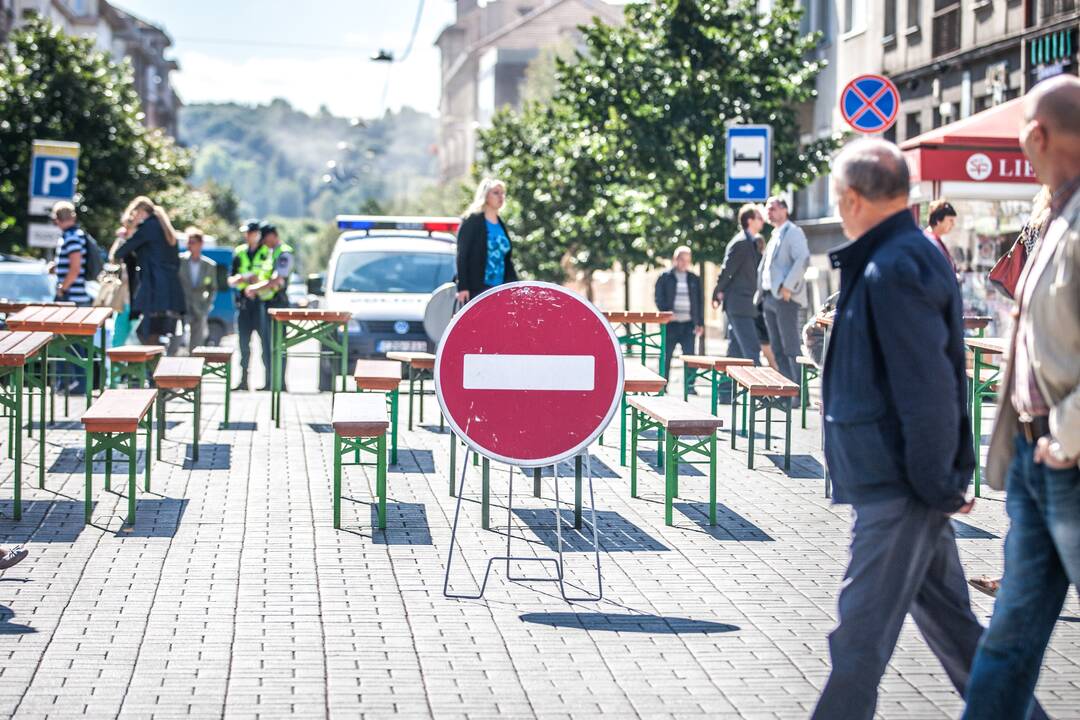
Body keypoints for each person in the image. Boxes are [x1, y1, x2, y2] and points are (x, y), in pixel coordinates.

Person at [809, 138, 1050, 720]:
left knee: (858, 640)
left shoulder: (896, 265)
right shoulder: (895, 257)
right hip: (905, 482)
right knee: (957, 633)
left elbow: (929, 390)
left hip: (900, 486)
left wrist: (939, 485)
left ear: (851, 197)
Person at [963, 75, 1080, 720]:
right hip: (1041, 461)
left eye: (1022, 134)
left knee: (1010, 637)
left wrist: (1069, 433)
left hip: (1069, 457)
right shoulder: (1053, 211)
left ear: (1038, 135)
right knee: (1008, 639)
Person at [114, 196, 185, 347]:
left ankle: (151, 368)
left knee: (145, 333)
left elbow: (120, 252)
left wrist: (129, 231)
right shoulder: (162, 227)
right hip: (168, 290)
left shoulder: (148, 227)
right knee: (155, 334)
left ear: (140, 211)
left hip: (154, 289)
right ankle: (154, 366)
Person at [758, 196, 810, 396]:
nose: (769, 212)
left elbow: (803, 259)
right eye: (767, 209)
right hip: (769, 298)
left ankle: (800, 394)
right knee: (777, 348)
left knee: (790, 346)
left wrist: (787, 288)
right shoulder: (775, 234)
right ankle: (789, 393)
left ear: (785, 210)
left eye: (773, 208)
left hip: (785, 298)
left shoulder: (793, 232)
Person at [712, 204, 763, 363]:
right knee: (751, 349)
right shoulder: (741, 243)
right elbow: (727, 270)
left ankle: (725, 388)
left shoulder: (751, 242)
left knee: (736, 351)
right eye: (759, 218)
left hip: (744, 304)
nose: (763, 221)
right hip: (740, 303)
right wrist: (717, 292)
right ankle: (760, 387)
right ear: (750, 220)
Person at [246, 224, 294, 392]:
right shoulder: (270, 253)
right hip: (266, 304)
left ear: (273, 235)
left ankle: (279, 383)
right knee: (266, 345)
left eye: (265, 238)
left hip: (278, 304)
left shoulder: (284, 253)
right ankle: (270, 382)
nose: (263, 242)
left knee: (278, 345)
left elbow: (277, 280)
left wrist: (255, 289)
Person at [455, 178, 518, 304]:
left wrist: (514, 286)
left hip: (500, 289)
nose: (501, 197)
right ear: (485, 195)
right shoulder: (472, 220)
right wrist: (463, 287)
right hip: (477, 289)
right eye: (496, 193)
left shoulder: (500, 223)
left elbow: (506, 258)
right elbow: (462, 255)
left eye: (502, 193)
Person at [655, 246, 703, 395]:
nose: (685, 263)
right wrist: (667, 313)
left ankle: (690, 386)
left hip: (689, 324)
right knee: (666, 355)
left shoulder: (693, 278)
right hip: (670, 324)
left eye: (688, 260)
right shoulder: (665, 277)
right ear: (675, 260)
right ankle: (663, 385)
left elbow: (699, 302)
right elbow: (658, 298)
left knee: (690, 356)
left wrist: (700, 323)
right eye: (682, 260)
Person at [227, 219, 267, 390]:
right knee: (243, 344)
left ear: (257, 234)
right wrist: (243, 278)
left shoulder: (266, 252)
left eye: (250, 233)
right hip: (243, 304)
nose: (247, 236)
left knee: (265, 344)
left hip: (260, 303)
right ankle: (243, 381)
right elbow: (231, 279)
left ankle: (269, 381)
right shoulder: (240, 252)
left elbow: (267, 276)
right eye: (246, 233)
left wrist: (254, 279)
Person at [178, 226, 218, 352]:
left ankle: (192, 370)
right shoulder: (180, 260)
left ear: (200, 244)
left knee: (196, 346)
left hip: (199, 308)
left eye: (192, 242)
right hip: (181, 308)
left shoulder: (209, 265)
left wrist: (206, 306)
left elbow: (213, 288)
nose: (189, 245)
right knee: (176, 343)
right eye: (188, 242)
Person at [49, 201, 92, 306]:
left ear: (57, 219)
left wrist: (62, 289)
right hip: (73, 296)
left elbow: (75, 268)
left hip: (72, 298)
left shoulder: (71, 237)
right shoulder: (74, 235)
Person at [925, 199, 960, 278]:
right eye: (950, 220)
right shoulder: (928, 241)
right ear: (938, 220)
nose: (953, 224)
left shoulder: (935, 240)